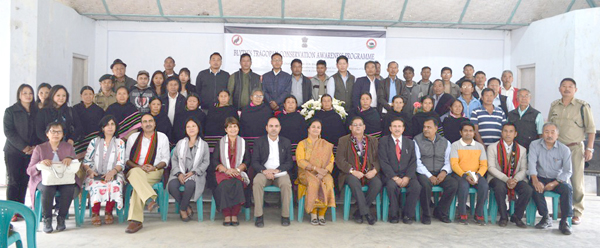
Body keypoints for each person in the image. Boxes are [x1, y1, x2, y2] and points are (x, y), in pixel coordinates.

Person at [547, 78, 595, 225]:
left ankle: (577, 212)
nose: (567, 89)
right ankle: (562, 209)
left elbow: (591, 129)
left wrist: (589, 148)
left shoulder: (582, 106)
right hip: (558, 149)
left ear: (575, 90)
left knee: (576, 181)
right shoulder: (554, 106)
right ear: (559, 88)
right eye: (564, 86)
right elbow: (549, 127)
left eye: (570, 86)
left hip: (575, 148)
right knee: (559, 179)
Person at [27, 122, 80, 233]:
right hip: (44, 180)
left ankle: (61, 218)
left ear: (62, 134)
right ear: (47, 134)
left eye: (59, 131)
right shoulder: (39, 148)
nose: (56, 134)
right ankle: (47, 219)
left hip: (64, 179)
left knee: (69, 188)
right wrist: (40, 164)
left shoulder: (68, 147)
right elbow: (30, 170)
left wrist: (70, 159)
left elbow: (76, 164)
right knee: (48, 189)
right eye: (53, 131)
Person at [124, 114, 170, 233]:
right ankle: (150, 199)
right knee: (135, 173)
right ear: (141, 124)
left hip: (154, 171)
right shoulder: (133, 138)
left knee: (137, 185)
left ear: (154, 123)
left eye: (150, 121)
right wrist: (139, 167)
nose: (148, 124)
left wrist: (154, 167)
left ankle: (136, 221)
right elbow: (126, 159)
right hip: (135, 169)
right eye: (145, 122)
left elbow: (165, 159)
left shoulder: (162, 137)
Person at [528, 123, 574, 235]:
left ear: (557, 135)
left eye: (552, 132)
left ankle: (564, 221)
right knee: (533, 187)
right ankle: (545, 217)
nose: (549, 135)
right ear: (542, 134)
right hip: (540, 177)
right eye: (546, 132)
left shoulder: (564, 149)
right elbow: (531, 164)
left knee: (567, 189)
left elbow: (568, 171)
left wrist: (555, 183)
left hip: (557, 179)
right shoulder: (534, 145)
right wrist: (535, 180)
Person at [4, 84, 40, 221]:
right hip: (13, 151)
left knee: (25, 180)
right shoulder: (11, 111)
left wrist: (34, 147)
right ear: (19, 95)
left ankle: (20, 209)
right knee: (13, 181)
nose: (28, 95)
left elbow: (39, 130)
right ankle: (11, 211)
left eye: (30, 93)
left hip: (32, 151)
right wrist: (24, 147)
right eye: (25, 93)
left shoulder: (37, 111)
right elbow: (8, 132)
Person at [81, 115, 126, 226]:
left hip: (114, 172)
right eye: (107, 125)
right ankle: (95, 213)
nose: (110, 127)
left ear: (116, 127)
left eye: (112, 124)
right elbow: (86, 161)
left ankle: (108, 211)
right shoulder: (94, 142)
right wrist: (90, 171)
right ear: (102, 128)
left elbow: (121, 162)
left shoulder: (120, 142)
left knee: (114, 184)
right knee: (96, 185)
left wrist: (112, 172)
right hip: (95, 173)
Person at [336, 116, 381, 225]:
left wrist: (374, 171)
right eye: (355, 125)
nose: (358, 127)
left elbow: (379, 158)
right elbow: (339, 160)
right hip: (350, 173)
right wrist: (352, 171)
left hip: (369, 172)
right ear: (350, 127)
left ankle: (359, 213)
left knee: (377, 183)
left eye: (360, 125)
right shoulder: (343, 140)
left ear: (364, 127)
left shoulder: (373, 140)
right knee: (353, 182)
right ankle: (367, 213)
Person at [487, 123, 532, 228]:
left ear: (515, 134)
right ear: (502, 133)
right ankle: (503, 217)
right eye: (505, 131)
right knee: (499, 187)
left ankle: (517, 216)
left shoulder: (522, 149)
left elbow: (524, 169)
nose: (508, 134)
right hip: (497, 177)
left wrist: (515, 179)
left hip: (516, 178)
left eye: (511, 131)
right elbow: (491, 167)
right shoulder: (492, 147)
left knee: (527, 190)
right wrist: (506, 179)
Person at [252, 117, 293, 228]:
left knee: (286, 184)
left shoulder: (286, 142)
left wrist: (277, 170)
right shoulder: (259, 142)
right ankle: (259, 216)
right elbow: (254, 161)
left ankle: (285, 215)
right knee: (257, 182)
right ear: (266, 128)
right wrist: (265, 171)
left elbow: (289, 162)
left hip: (280, 173)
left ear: (280, 128)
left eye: (276, 126)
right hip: (263, 172)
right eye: (271, 126)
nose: (273, 129)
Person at [414, 118, 457, 224]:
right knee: (425, 185)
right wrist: (429, 176)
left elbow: (449, 161)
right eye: (424, 127)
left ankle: (440, 212)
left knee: (453, 184)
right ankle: (426, 214)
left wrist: (444, 172)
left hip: (440, 171)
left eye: (429, 127)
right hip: (424, 172)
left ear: (436, 129)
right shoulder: (417, 140)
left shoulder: (445, 142)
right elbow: (417, 162)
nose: (426, 129)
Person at [379, 118, 422, 224]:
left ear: (403, 129)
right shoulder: (384, 141)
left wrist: (407, 177)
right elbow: (383, 162)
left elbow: (413, 162)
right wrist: (394, 177)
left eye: (399, 126)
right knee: (391, 186)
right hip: (390, 175)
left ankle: (408, 214)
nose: (397, 129)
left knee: (416, 186)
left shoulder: (410, 143)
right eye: (394, 126)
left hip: (406, 175)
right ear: (390, 128)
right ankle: (394, 214)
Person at [168, 117, 210, 222]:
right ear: (185, 129)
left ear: (198, 128)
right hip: (179, 172)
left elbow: (206, 162)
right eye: (188, 126)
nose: (191, 128)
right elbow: (174, 160)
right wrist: (178, 173)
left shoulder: (204, 145)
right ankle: (187, 207)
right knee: (172, 186)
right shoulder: (180, 143)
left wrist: (193, 172)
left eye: (193, 126)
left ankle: (182, 209)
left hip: (196, 174)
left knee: (190, 185)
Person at [212, 117, 251, 226]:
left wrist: (237, 170)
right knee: (225, 185)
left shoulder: (243, 142)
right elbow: (214, 160)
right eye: (230, 127)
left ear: (238, 128)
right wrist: (226, 170)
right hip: (223, 173)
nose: (233, 129)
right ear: (226, 129)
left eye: (235, 126)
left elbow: (248, 160)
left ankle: (234, 214)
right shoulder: (220, 142)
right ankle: (226, 214)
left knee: (238, 184)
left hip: (238, 172)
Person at [296, 119, 336, 225]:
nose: (315, 129)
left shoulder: (325, 144)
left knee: (328, 182)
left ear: (321, 130)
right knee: (314, 182)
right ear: (308, 129)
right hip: (306, 173)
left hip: (323, 172)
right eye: (313, 127)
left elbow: (331, 160)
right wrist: (315, 168)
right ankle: (313, 213)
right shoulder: (302, 144)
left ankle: (322, 213)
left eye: (318, 127)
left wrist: (325, 171)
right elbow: (300, 161)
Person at [450, 122, 488, 225]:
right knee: (463, 186)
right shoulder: (455, 145)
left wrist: (478, 176)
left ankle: (479, 214)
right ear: (461, 132)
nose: (468, 133)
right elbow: (454, 165)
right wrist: (465, 175)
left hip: (476, 174)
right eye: (465, 131)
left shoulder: (479, 146)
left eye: (471, 131)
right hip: (460, 174)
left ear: (474, 133)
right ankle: (462, 214)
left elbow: (484, 165)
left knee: (484, 186)